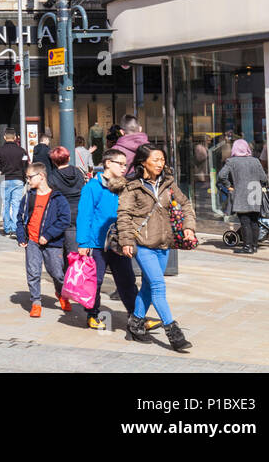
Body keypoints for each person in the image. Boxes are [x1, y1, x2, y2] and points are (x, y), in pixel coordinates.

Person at [118, 144, 196, 351]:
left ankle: (135, 324)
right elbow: (124, 216)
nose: (160, 164)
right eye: (155, 160)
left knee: (148, 286)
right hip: (143, 245)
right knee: (159, 287)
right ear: (143, 163)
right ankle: (174, 333)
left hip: (164, 244)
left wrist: (189, 227)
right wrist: (126, 242)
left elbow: (186, 204)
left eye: (162, 160)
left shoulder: (168, 184)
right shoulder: (132, 187)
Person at [75, 147, 159, 333]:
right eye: (120, 164)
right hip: (97, 244)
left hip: (119, 242)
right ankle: (92, 315)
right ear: (107, 163)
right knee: (94, 281)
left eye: (125, 164)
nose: (123, 167)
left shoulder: (124, 186)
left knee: (127, 280)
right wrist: (83, 242)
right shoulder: (92, 187)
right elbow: (85, 215)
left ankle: (136, 317)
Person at [16, 162, 71, 317]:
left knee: (56, 272)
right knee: (33, 272)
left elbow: (64, 220)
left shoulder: (57, 198)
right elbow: (20, 218)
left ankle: (61, 294)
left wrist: (48, 235)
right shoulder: (28, 197)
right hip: (32, 241)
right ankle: (35, 302)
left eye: (30, 177)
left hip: (52, 243)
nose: (28, 180)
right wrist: (21, 236)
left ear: (41, 176)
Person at [217, 138, 268, 254]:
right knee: (254, 221)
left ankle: (247, 247)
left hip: (241, 195)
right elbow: (264, 178)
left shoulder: (232, 161)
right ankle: (254, 246)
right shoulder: (255, 161)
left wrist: (229, 186)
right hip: (255, 194)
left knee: (245, 221)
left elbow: (221, 176)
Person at [46, 146, 85, 253]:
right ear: (68, 158)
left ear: (53, 161)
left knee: (65, 253)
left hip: (63, 215)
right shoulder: (78, 172)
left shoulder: (52, 177)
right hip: (80, 212)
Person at [0, 128, 29, 235]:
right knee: (16, 204)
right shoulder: (22, 151)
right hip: (18, 180)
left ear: (4, 137)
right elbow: (25, 167)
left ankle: (7, 227)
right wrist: (24, 178)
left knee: (6, 204)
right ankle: (15, 227)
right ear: (15, 137)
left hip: (4, 180)